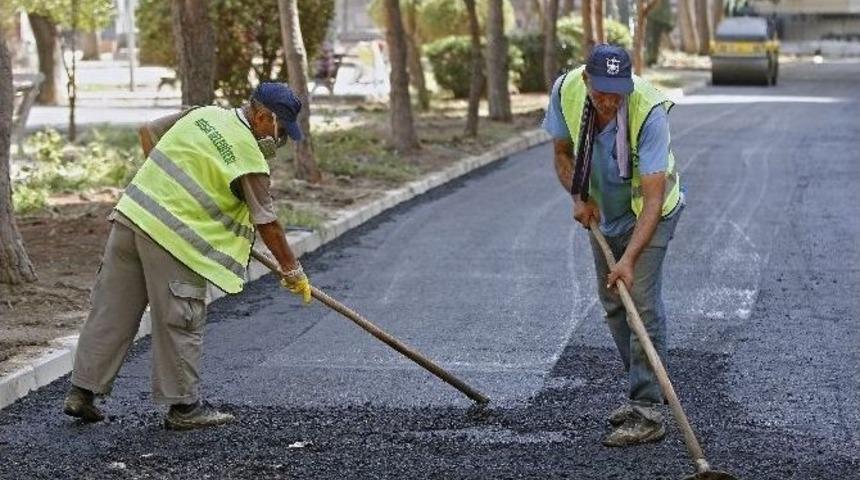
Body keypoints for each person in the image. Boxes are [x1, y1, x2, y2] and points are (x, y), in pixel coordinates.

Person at [63, 83, 314, 430]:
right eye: (280, 129)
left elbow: (148, 131)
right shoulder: (248, 156)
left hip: (131, 217)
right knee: (180, 320)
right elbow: (267, 222)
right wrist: (293, 270)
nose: (280, 138)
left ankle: (82, 392)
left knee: (111, 310)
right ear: (260, 117)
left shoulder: (204, 114)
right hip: (174, 241)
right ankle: (184, 408)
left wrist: (165, 187)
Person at [543, 45, 685, 447]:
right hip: (604, 213)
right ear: (587, 80)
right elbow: (561, 152)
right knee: (613, 304)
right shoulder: (566, 91)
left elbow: (655, 200)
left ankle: (647, 411)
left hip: (651, 215)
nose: (609, 100)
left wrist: (628, 259)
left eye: (616, 92)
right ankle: (644, 388)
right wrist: (578, 198)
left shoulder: (649, 111)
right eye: (601, 91)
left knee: (639, 300)